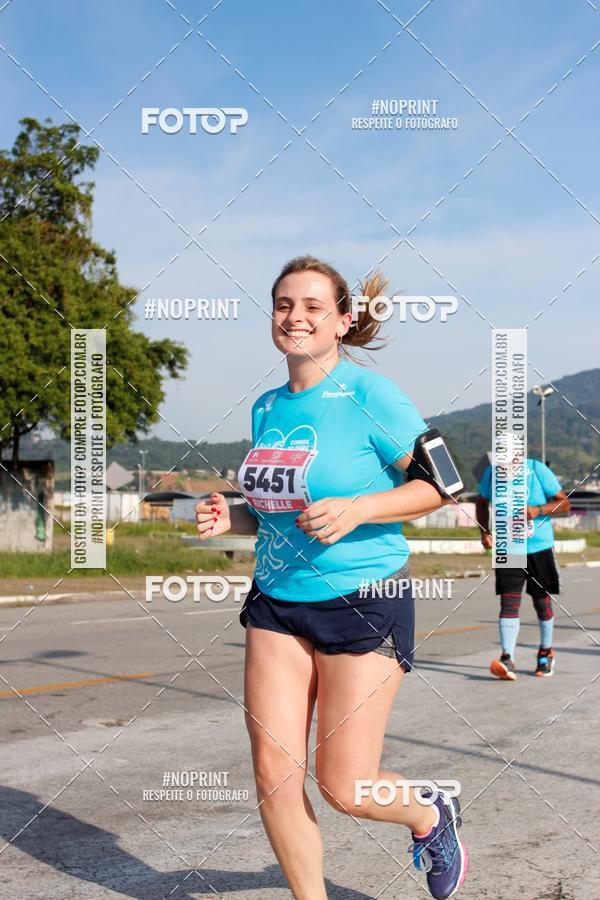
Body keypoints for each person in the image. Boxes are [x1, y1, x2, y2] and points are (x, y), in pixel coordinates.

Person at [195, 256, 468, 900]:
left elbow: (444, 485)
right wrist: (230, 515)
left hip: (363, 602)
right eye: (285, 304)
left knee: (345, 788)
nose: (296, 317)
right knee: (274, 775)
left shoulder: (371, 397)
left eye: (314, 306)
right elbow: (278, 511)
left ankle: (429, 813)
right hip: (276, 604)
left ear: (343, 321)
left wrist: (362, 508)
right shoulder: (267, 407)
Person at [475, 457, 570, 680]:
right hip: (509, 547)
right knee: (508, 601)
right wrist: (484, 532)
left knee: (541, 601)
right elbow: (481, 502)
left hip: (540, 546)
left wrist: (539, 509)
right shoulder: (491, 473)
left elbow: (564, 503)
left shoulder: (537, 469)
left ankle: (546, 651)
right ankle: (507, 657)